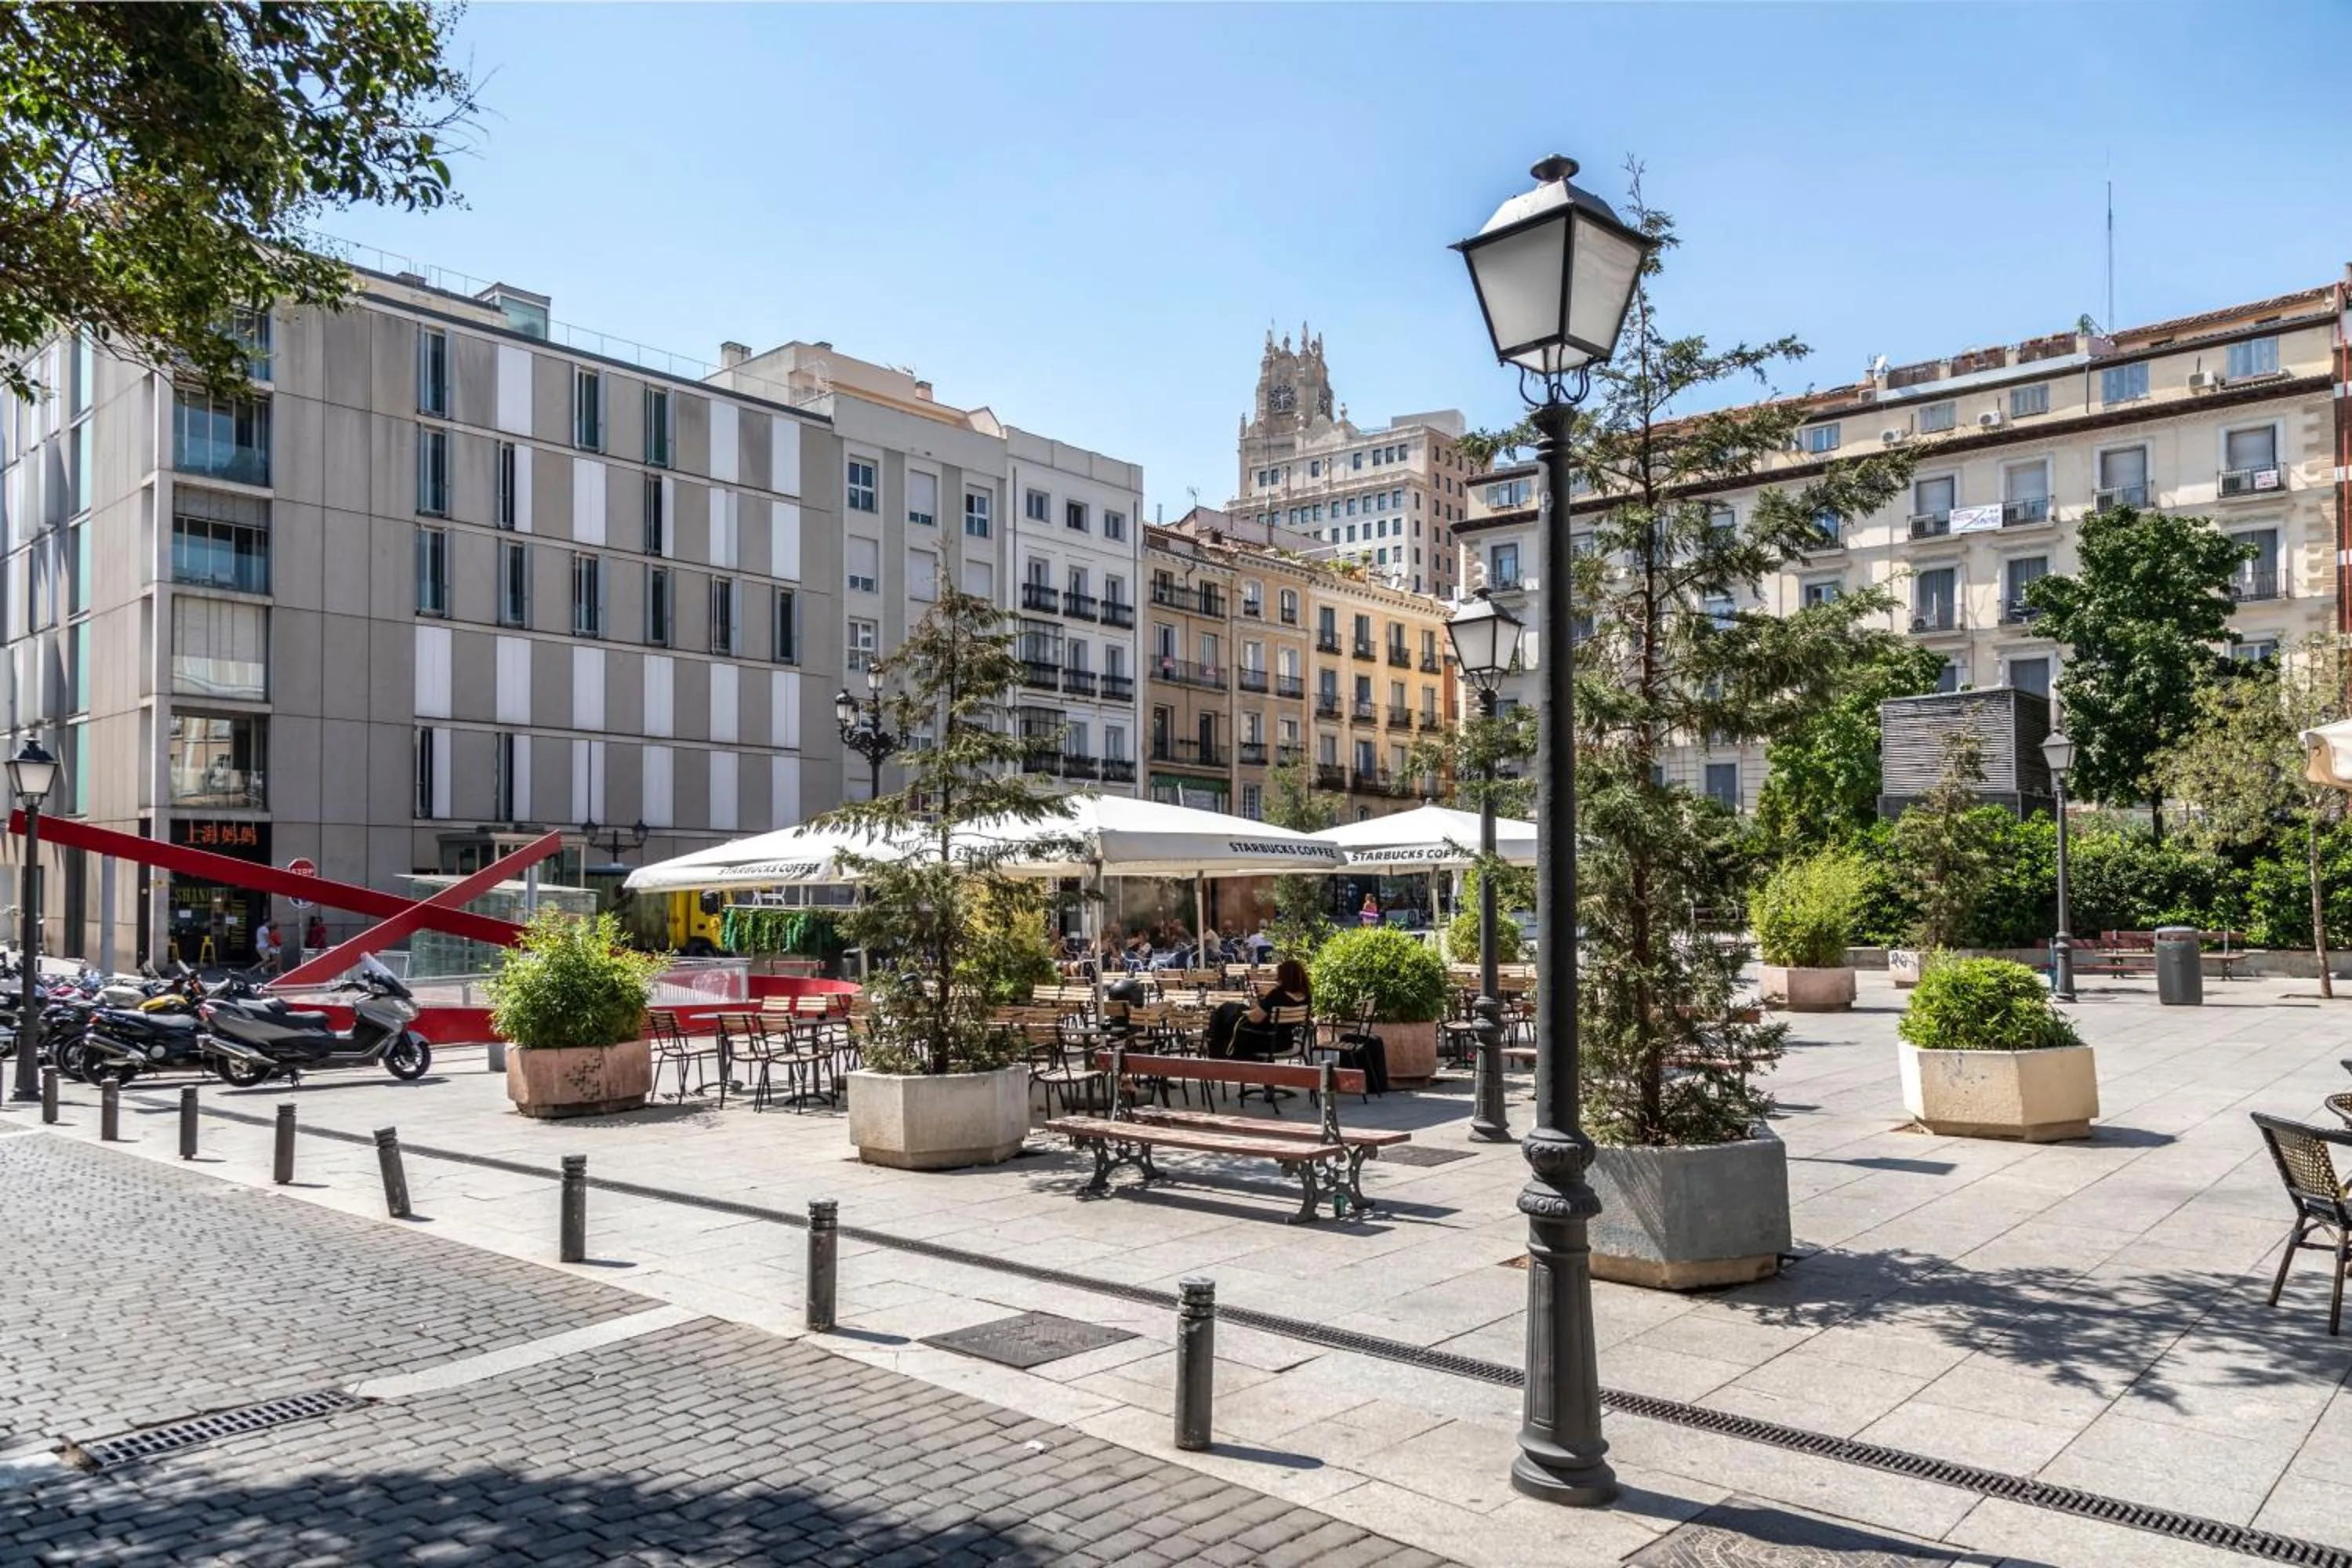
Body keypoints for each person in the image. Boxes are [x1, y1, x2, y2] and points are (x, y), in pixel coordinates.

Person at [1206, 959, 1312, 1060]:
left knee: (1226, 1011)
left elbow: (1255, 1019)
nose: (1277, 979)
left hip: (1265, 1040)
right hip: (1285, 1041)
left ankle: (1213, 1049)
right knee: (1229, 1010)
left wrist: (1253, 1009)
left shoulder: (1278, 995)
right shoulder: (1306, 997)